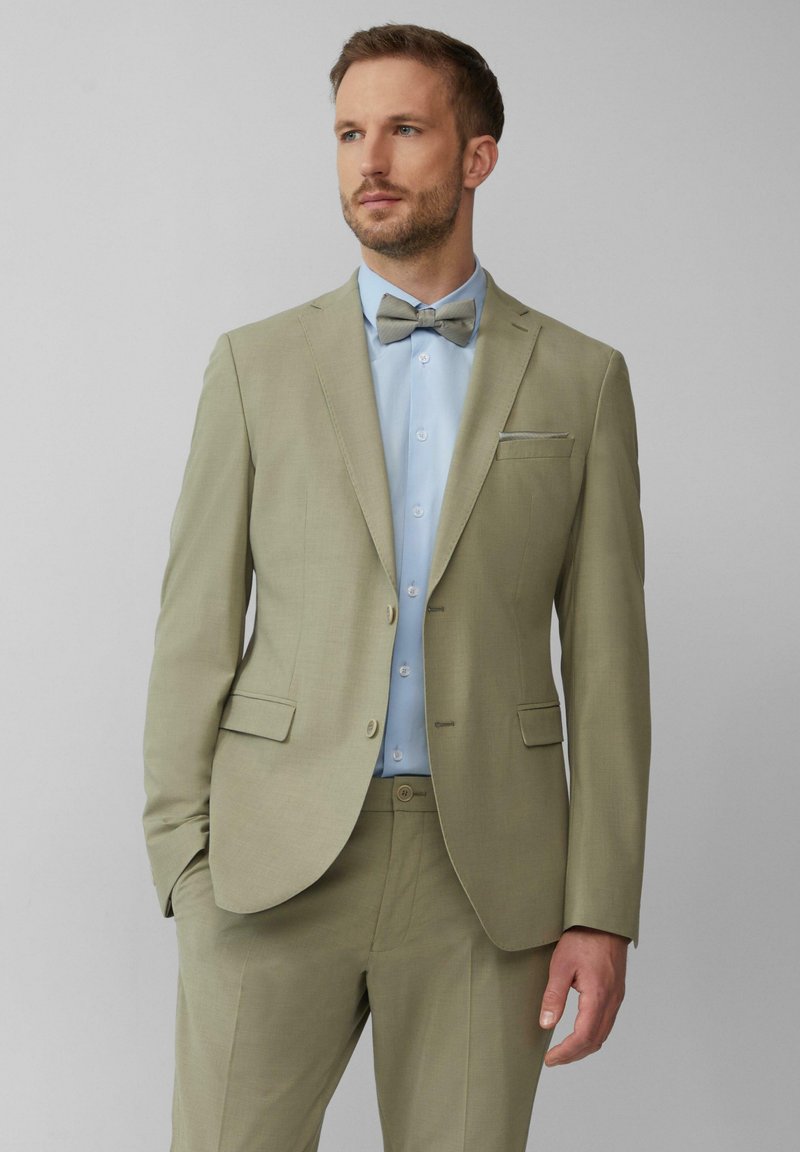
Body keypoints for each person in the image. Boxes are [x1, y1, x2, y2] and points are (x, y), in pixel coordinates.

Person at [142, 23, 650, 1152]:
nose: (368, 161)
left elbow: (610, 665)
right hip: (268, 865)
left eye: (405, 129)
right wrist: (185, 860)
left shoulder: (581, 379)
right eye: (348, 133)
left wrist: (599, 908)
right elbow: (194, 627)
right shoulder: (253, 366)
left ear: (477, 157)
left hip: (490, 879)